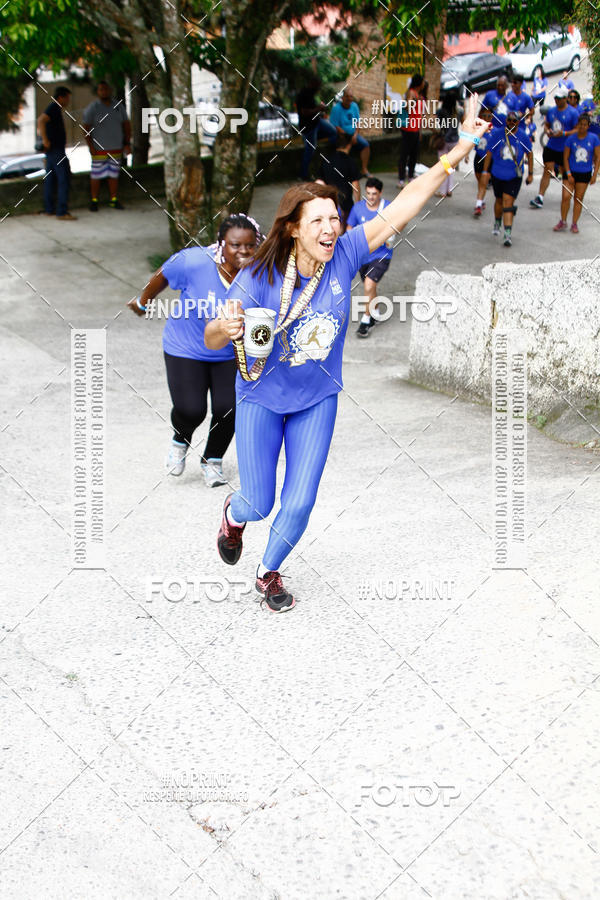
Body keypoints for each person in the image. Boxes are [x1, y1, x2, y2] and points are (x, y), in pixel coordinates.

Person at [203, 94, 489, 612]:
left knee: (302, 498)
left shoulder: (349, 252)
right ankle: (235, 514)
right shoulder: (258, 278)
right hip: (261, 397)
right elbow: (214, 341)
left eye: (334, 218)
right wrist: (226, 326)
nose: (329, 228)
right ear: (293, 228)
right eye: (316, 221)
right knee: (260, 499)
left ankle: (269, 572)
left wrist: (462, 145)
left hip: (317, 397)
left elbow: (409, 200)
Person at [127, 215, 261, 485]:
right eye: (236, 245)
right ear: (221, 243)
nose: (243, 251)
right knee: (191, 410)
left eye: (250, 245)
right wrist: (143, 302)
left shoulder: (260, 269)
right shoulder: (194, 261)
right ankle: (181, 439)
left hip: (228, 352)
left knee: (229, 408)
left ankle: (212, 460)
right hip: (185, 347)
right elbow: (162, 275)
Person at [346, 177, 394, 337]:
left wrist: (392, 234)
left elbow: (401, 220)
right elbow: (349, 228)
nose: (371, 197)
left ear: (380, 193)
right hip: (363, 255)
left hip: (382, 255)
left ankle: (367, 320)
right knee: (370, 287)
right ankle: (375, 310)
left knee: (368, 285)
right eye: (368, 193)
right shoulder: (357, 208)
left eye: (374, 194)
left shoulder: (387, 208)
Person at [481, 110, 533, 247]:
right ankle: (497, 221)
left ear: (518, 122)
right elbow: (489, 152)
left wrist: (531, 173)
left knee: (508, 201)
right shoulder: (498, 134)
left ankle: (508, 233)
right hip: (497, 173)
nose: (511, 123)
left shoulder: (523, 136)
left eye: (514, 121)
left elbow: (530, 154)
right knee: (499, 200)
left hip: (514, 176)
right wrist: (485, 172)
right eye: (509, 120)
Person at [83, 82, 131, 211]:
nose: (104, 92)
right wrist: (90, 146)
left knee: (114, 175)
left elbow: (126, 125)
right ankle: (94, 200)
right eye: (101, 90)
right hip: (99, 149)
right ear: (98, 92)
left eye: (106, 89)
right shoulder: (92, 108)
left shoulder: (118, 106)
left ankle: (113, 200)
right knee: (96, 175)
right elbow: (86, 128)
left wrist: (127, 143)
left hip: (116, 148)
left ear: (110, 90)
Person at [530, 87, 579, 208]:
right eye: (556, 98)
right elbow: (546, 125)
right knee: (547, 170)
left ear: (565, 99)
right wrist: (547, 131)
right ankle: (540, 197)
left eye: (560, 98)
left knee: (565, 174)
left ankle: (569, 195)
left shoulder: (572, 113)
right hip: (552, 146)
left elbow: (578, 129)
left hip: (565, 149)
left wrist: (564, 133)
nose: (557, 100)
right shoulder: (551, 111)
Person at [36, 86, 77, 221]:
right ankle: (62, 211)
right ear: (62, 97)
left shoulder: (55, 109)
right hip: (56, 150)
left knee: (50, 180)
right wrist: (45, 140)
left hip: (52, 151)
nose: (68, 101)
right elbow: (41, 121)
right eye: (67, 98)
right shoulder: (53, 108)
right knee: (63, 179)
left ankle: (49, 209)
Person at [555, 113, 600, 233]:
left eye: (585, 125)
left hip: (584, 173)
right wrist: (568, 174)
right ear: (577, 125)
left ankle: (574, 223)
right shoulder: (571, 138)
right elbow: (565, 157)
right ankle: (563, 221)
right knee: (565, 197)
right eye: (580, 125)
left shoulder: (594, 138)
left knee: (578, 198)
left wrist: (594, 174)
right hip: (570, 171)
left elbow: (597, 156)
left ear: (588, 126)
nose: (582, 127)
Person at [296, 76, 337, 181]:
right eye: (318, 86)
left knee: (333, 132)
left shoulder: (311, 95)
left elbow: (313, 109)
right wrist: (318, 108)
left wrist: (320, 109)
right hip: (308, 126)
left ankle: (332, 160)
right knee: (310, 150)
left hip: (317, 123)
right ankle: (303, 174)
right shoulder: (303, 95)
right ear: (313, 84)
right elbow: (305, 112)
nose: (319, 89)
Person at [317, 132, 360, 227]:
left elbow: (319, 182)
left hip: (330, 201)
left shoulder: (326, 160)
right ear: (349, 145)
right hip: (346, 203)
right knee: (344, 230)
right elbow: (355, 185)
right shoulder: (351, 162)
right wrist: (358, 205)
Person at [329, 90, 370, 177]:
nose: (349, 98)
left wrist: (355, 135)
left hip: (353, 134)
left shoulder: (354, 106)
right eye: (347, 96)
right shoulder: (336, 108)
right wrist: (347, 136)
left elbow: (357, 122)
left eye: (351, 96)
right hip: (341, 134)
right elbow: (335, 125)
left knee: (365, 145)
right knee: (344, 150)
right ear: (343, 98)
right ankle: (341, 173)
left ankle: (364, 170)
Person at [398, 73, 424, 186]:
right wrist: (411, 102)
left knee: (414, 154)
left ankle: (410, 176)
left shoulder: (418, 94)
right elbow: (408, 106)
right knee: (405, 154)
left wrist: (420, 131)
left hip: (415, 129)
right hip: (408, 129)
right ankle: (401, 178)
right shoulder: (411, 93)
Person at [436, 94, 459, 198]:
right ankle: (449, 188)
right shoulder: (458, 112)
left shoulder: (441, 112)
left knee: (444, 166)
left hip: (444, 141)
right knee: (451, 167)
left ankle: (443, 191)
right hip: (454, 141)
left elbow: (435, 124)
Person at [472, 107, 494, 216]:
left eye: (489, 116)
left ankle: (478, 205)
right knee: (479, 180)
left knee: (483, 183)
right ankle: (482, 200)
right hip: (478, 158)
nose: (486, 118)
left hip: (488, 160)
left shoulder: (494, 131)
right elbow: (471, 143)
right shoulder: (478, 129)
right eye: (484, 116)